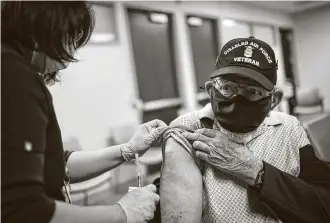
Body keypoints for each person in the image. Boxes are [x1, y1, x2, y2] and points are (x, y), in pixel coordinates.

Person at [1, 2, 168, 223]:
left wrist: (127, 150)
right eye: (70, 38)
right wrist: (123, 212)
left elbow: (56, 165)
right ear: (44, 26)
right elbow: (24, 210)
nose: (71, 52)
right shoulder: (13, 74)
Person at [160, 37, 330, 222]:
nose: (237, 101)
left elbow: (323, 205)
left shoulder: (288, 128)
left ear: (274, 100)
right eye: (227, 88)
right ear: (211, 91)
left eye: (253, 91)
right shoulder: (189, 128)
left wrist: (255, 170)